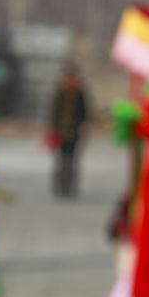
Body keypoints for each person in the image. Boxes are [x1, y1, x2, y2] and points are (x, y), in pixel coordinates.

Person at [49, 65, 88, 198]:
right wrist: (53, 131)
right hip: (61, 132)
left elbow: (84, 112)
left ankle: (70, 186)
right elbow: (54, 114)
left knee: (72, 161)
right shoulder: (60, 92)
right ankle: (60, 185)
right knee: (61, 160)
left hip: (74, 133)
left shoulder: (79, 93)